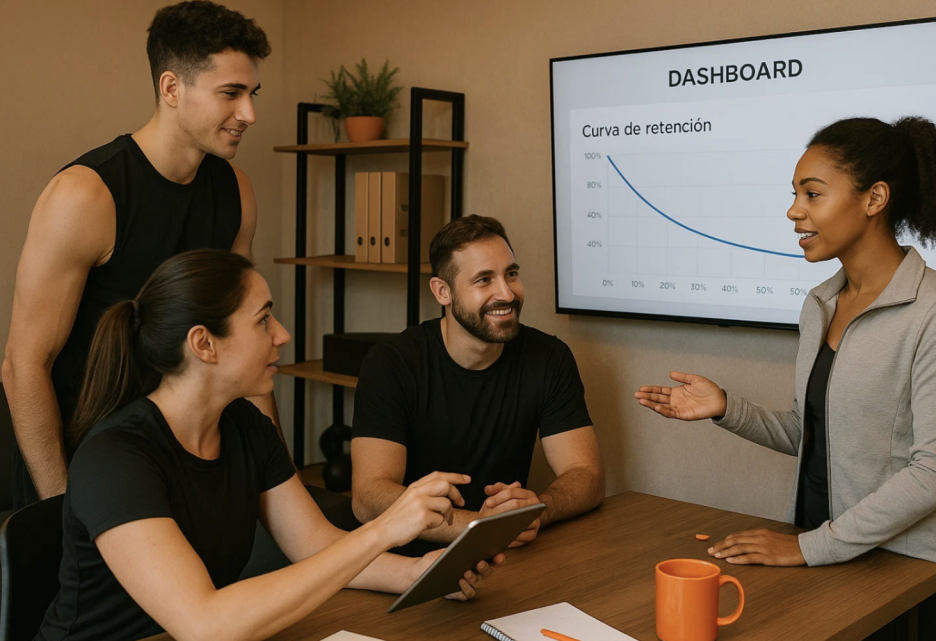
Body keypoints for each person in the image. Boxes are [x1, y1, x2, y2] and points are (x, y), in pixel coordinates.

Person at [635, 117, 936, 640]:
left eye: (812, 194)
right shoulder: (820, 303)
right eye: (795, 194)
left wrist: (807, 547)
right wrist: (726, 407)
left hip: (919, 574)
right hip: (837, 557)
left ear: (875, 198)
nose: (794, 210)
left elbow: (935, 472)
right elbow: (810, 431)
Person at [35, 249, 500, 641]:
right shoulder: (116, 457)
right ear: (204, 344)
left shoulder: (246, 429)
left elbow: (316, 545)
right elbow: (204, 624)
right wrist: (384, 529)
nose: (282, 334)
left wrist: (420, 572)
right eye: (263, 320)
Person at [3, 0, 277, 509]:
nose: (249, 114)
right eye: (231, 94)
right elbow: (23, 366)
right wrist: (64, 510)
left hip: (173, 447)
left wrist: (276, 480)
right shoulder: (86, 196)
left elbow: (247, 338)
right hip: (78, 457)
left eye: (252, 93)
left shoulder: (236, 191)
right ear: (171, 88)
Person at [351, 215, 605, 555]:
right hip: (406, 558)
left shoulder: (549, 357)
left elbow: (586, 475)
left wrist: (537, 511)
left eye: (511, 274)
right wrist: (479, 527)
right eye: (484, 280)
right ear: (443, 291)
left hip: (504, 555)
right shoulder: (391, 364)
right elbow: (368, 498)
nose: (506, 293)